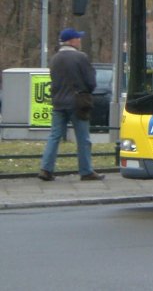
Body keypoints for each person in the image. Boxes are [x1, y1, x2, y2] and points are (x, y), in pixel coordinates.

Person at [38, 28, 104, 181]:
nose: (80, 40)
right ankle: (86, 171)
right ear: (72, 41)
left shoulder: (54, 59)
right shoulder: (81, 57)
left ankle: (46, 169)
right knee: (83, 139)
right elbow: (91, 82)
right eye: (78, 38)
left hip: (58, 103)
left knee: (54, 136)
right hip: (78, 103)